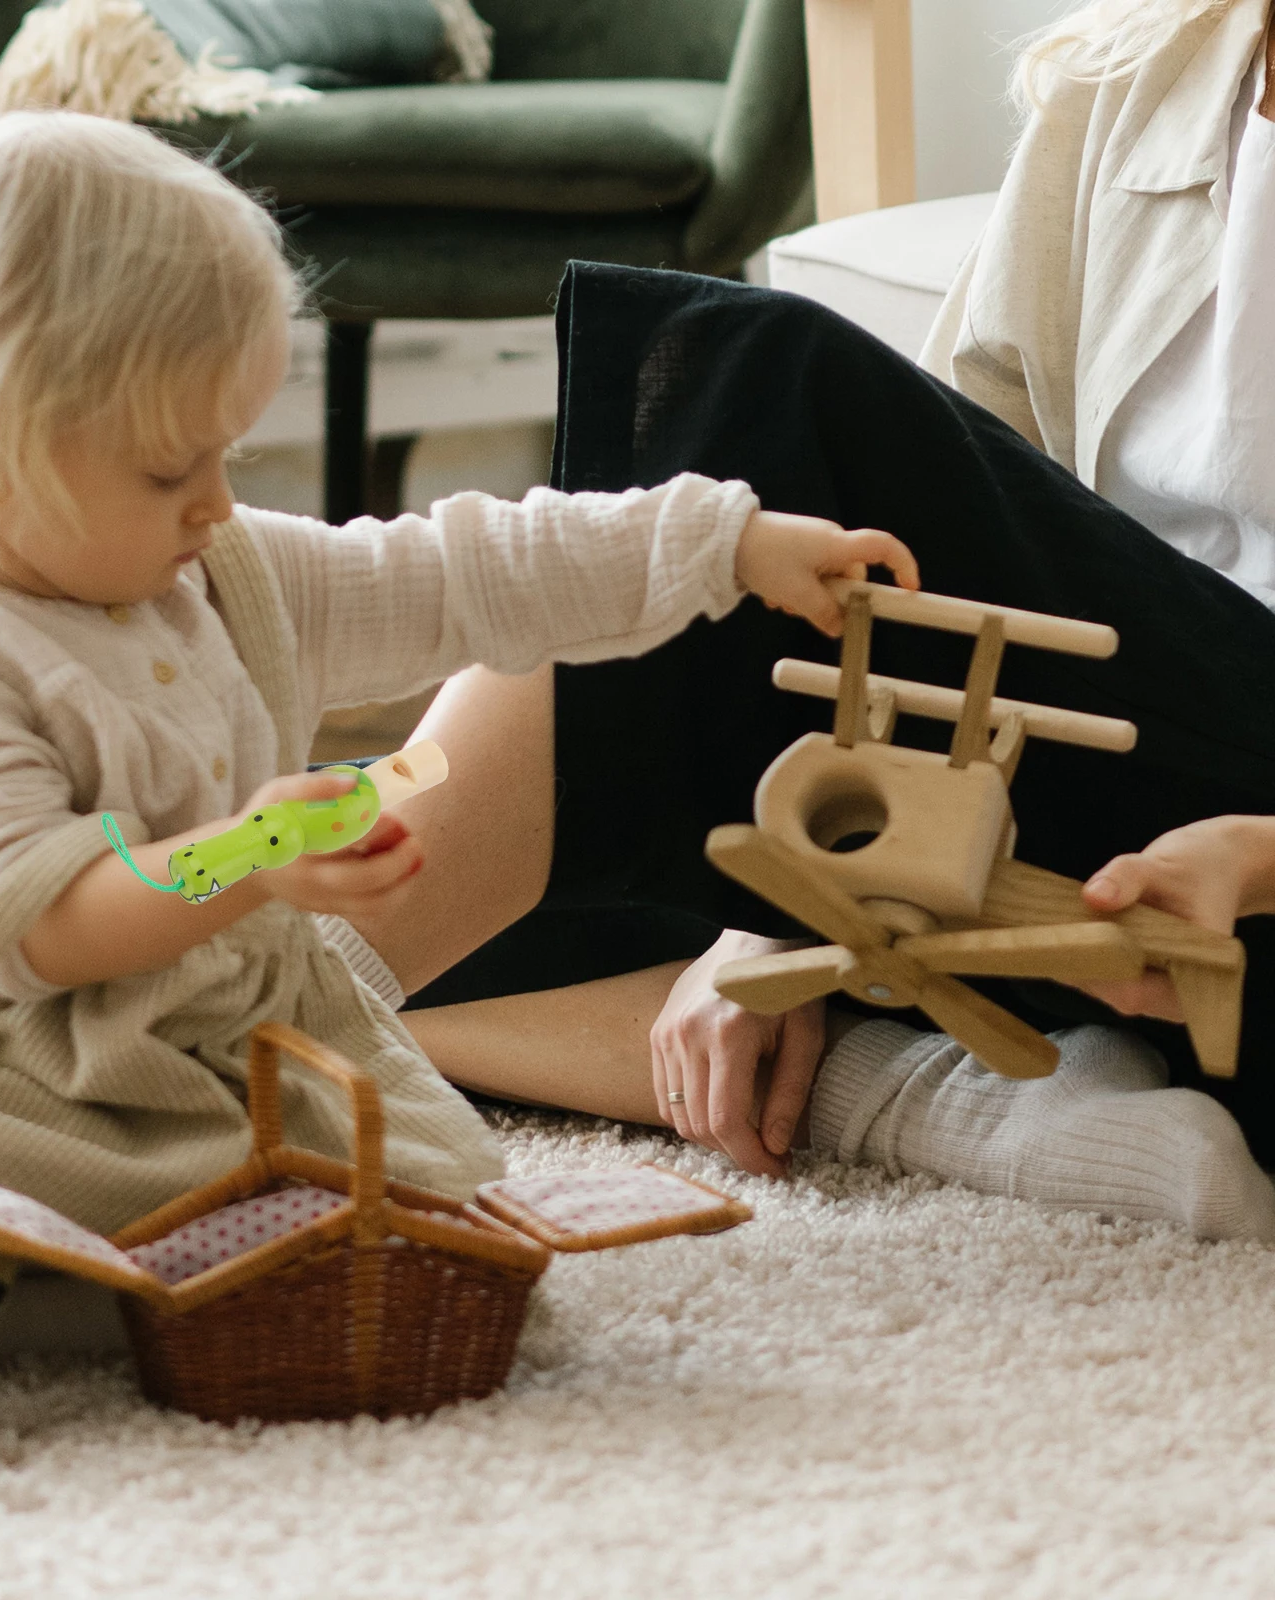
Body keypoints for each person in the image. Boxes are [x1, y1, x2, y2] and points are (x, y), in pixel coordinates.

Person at [0, 111, 919, 1526]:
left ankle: (25, 1296)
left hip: (240, 1075)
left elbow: (468, 574)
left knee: (431, 1239)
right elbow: (48, 927)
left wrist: (723, 545)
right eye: (170, 470)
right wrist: (258, 850)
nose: (216, 502)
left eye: (226, 452)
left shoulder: (227, 574)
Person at [331, 0, 1275, 1246]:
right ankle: (963, 1107)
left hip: (1231, 875)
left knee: (765, 384)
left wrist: (1256, 853)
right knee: (399, 847)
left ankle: (214, 1056)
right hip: (1088, 816)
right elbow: (980, 511)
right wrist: (778, 912)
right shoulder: (1145, 74)